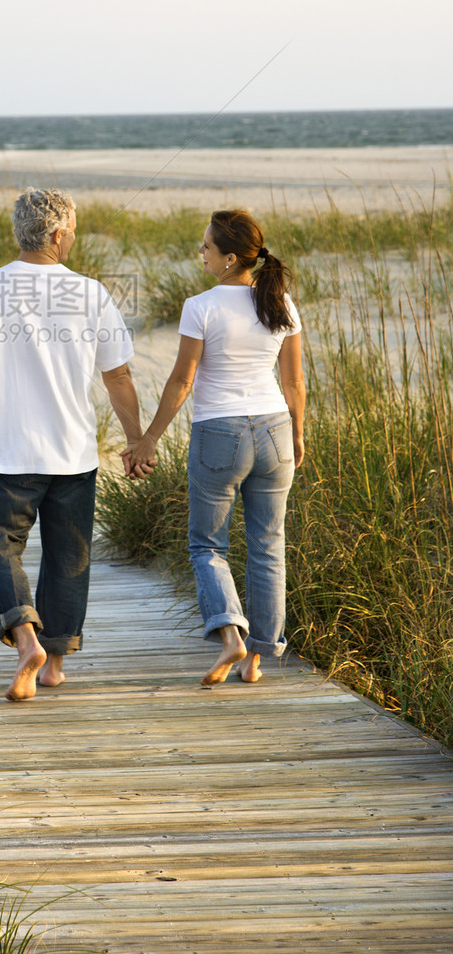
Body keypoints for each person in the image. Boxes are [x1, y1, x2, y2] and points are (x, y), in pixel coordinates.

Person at [0, 187, 150, 702]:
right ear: (57, 235)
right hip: (73, 454)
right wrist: (136, 440)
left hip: (10, 454)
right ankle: (54, 663)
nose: (73, 238)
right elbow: (119, 375)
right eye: (73, 231)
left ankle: (25, 640)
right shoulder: (92, 293)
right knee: (68, 556)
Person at [124, 209, 306, 687]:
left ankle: (230, 634)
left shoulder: (200, 305)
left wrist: (149, 438)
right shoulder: (280, 302)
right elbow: (294, 381)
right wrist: (299, 433)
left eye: (206, 247)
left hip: (219, 434)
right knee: (268, 546)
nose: (200, 253)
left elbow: (183, 380)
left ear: (229, 258)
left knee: (208, 545)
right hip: (275, 431)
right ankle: (258, 659)